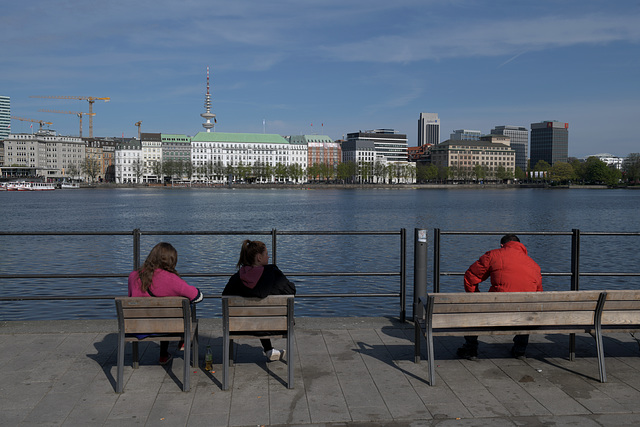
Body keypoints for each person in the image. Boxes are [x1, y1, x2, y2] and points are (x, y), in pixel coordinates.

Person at [457, 234, 542, 360]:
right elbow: (538, 293)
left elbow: (470, 277)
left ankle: (470, 349)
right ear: (521, 246)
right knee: (527, 307)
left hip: (496, 313)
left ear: (502, 245)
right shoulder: (533, 264)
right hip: (524, 318)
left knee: (472, 309)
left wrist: (475, 298)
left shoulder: (493, 255)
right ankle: (520, 350)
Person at [128, 242, 204, 365]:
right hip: (167, 327)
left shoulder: (133, 276)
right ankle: (183, 338)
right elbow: (197, 297)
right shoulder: (171, 279)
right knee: (182, 304)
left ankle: (163, 355)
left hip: (138, 327)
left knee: (161, 312)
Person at [222, 239, 296, 361]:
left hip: (240, 326)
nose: (269, 256)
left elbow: (225, 296)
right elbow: (291, 291)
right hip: (276, 325)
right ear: (259, 257)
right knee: (265, 312)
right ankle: (269, 350)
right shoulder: (273, 273)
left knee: (255, 313)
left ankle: (269, 349)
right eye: (266, 254)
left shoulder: (236, 279)